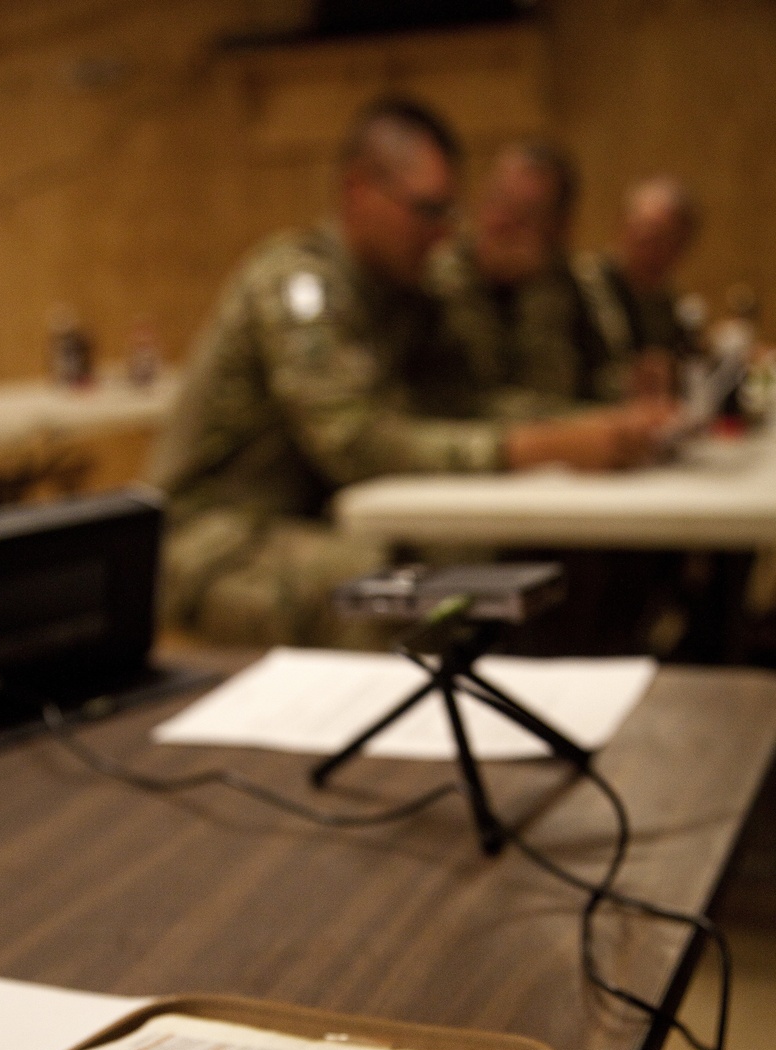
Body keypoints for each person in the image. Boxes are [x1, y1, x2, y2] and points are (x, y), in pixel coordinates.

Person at [150, 99, 672, 645]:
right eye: (426, 210)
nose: (443, 234)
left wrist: (602, 425)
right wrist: (541, 446)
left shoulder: (401, 293)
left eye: (449, 213)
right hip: (214, 542)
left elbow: (468, 398)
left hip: (318, 523)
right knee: (406, 597)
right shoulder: (298, 283)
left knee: (515, 569)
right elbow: (356, 443)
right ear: (358, 190)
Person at [429, 139, 608, 418]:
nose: (500, 222)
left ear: (558, 229)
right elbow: (462, 402)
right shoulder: (437, 282)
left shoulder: (573, 284)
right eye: (497, 200)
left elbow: (596, 382)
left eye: (525, 213)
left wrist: (537, 290)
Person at [573, 177, 702, 400]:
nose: (649, 247)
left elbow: (688, 357)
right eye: (642, 231)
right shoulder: (582, 285)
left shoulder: (664, 299)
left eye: (664, 239)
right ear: (622, 226)